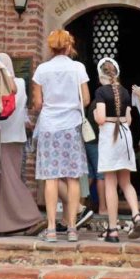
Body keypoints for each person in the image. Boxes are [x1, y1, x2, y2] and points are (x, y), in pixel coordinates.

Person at [32, 29, 90, 243]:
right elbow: (86, 99)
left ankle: (51, 228)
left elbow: (38, 103)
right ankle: (72, 228)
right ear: (69, 46)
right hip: (71, 125)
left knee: (51, 177)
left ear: (51, 47)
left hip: (49, 126)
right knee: (73, 177)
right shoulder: (78, 68)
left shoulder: (42, 69)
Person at [0, 53, 43, 234]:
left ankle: (31, 216)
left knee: (6, 181)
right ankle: (0, 223)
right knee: (5, 181)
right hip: (17, 137)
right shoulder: (20, 84)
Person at [93, 58, 140, 242]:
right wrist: (119, 119)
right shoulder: (124, 91)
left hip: (109, 136)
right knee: (126, 182)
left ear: (101, 75)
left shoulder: (101, 92)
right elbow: (129, 120)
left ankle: (113, 230)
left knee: (110, 183)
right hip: (124, 135)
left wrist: (95, 114)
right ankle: (136, 215)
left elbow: (100, 118)